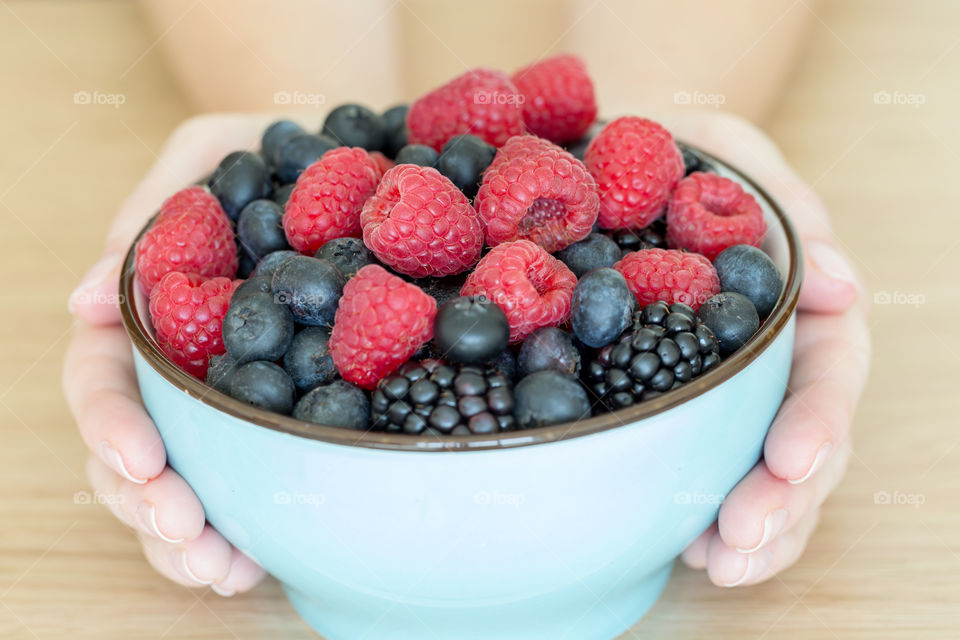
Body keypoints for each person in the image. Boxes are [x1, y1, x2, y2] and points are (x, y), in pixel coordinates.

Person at [63, 1, 869, 597]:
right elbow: (321, 221)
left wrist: (664, 111)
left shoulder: (567, 252)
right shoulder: (341, 267)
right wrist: (283, 95)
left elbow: (615, 236)